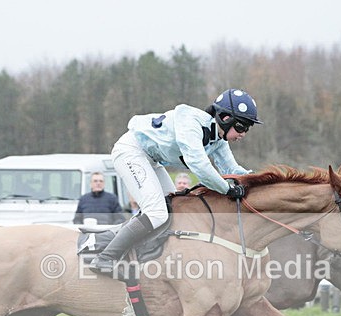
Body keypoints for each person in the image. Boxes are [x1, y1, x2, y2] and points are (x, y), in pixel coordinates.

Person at [90, 88, 262, 275]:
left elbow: (233, 170)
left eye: (247, 129)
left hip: (150, 159)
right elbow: (201, 167)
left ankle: (147, 256)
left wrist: (261, 182)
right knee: (156, 213)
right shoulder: (192, 123)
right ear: (225, 118)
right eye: (242, 127)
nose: (243, 134)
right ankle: (106, 258)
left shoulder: (218, 139)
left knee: (176, 210)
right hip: (131, 152)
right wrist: (227, 190)